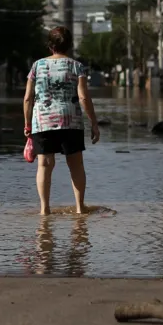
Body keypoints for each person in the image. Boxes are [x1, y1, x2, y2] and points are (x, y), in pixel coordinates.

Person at [23, 26, 100, 215]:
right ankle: (80, 208)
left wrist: (27, 124)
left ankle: (44, 210)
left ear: (50, 45)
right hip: (70, 121)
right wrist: (94, 123)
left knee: (44, 165)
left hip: (42, 122)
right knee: (76, 165)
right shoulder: (76, 66)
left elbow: (27, 98)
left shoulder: (37, 66)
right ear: (70, 45)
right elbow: (83, 97)